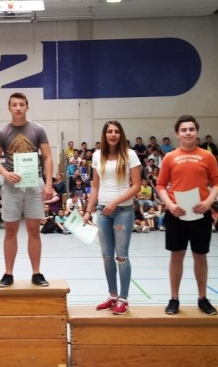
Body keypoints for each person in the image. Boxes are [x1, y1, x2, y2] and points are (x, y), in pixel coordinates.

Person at [156, 115, 218, 316]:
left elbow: (217, 183)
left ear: (197, 132)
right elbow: (160, 185)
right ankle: (174, 298)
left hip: (200, 214)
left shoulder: (207, 156)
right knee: (176, 255)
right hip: (176, 214)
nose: (188, 133)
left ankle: (202, 298)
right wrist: (170, 205)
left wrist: (208, 202)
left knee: (200, 256)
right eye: (184, 130)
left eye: (191, 129)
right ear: (177, 134)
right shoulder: (169, 157)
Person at [0, 92, 54, 288]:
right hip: (11, 187)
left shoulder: (38, 130)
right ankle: (8, 273)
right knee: (10, 231)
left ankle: (37, 273)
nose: (18, 108)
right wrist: (5, 173)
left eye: (21, 104)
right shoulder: (2, 132)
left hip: (34, 185)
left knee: (34, 230)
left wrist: (49, 183)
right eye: (14, 105)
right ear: (9, 108)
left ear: (27, 107)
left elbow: (47, 157)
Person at [83, 121, 141, 315]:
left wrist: (115, 202)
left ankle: (123, 299)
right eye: (110, 131)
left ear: (121, 134)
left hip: (123, 212)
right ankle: (113, 295)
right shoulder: (97, 156)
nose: (113, 134)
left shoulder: (130, 155)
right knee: (107, 256)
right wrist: (88, 211)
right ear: (105, 135)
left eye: (116, 131)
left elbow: (136, 186)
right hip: (103, 212)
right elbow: (95, 186)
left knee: (121, 256)